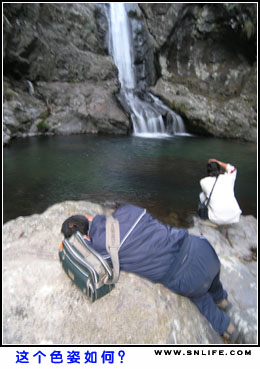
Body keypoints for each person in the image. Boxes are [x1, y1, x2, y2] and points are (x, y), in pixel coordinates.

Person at [61, 204, 244, 343]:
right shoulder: (129, 210)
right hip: (202, 248)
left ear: (84, 238)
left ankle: (229, 330)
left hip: (188, 279)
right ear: (89, 217)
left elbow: (90, 259)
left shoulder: (102, 249)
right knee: (213, 281)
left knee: (201, 297)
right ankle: (223, 300)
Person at [199, 159, 242, 225]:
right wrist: (218, 162)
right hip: (235, 217)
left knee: (202, 195)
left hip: (216, 219)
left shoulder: (203, 182)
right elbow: (233, 169)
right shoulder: (229, 177)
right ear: (219, 169)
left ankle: (208, 220)